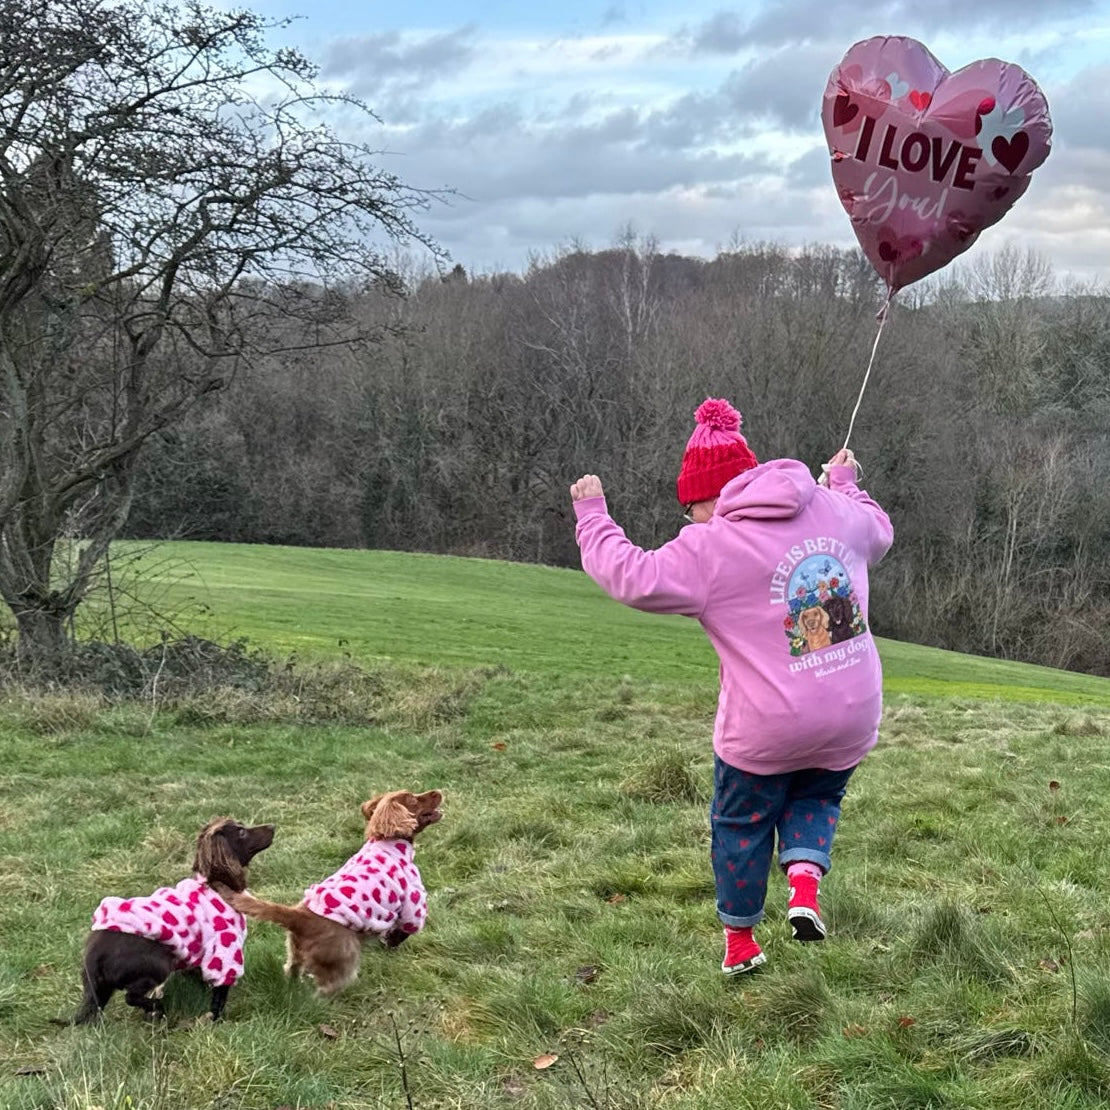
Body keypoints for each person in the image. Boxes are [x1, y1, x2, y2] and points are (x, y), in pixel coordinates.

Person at [569, 398, 893, 975]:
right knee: (818, 796)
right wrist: (843, 481)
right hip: (852, 712)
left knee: (741, 825)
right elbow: (879, 530)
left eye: (692, 507)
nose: (693, 519)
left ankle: (741, 944)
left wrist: (593, 516)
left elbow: (632, 576)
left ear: (709, 499)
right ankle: (802, 884)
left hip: (767, 730)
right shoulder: (834, 509)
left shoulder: (711, 545)